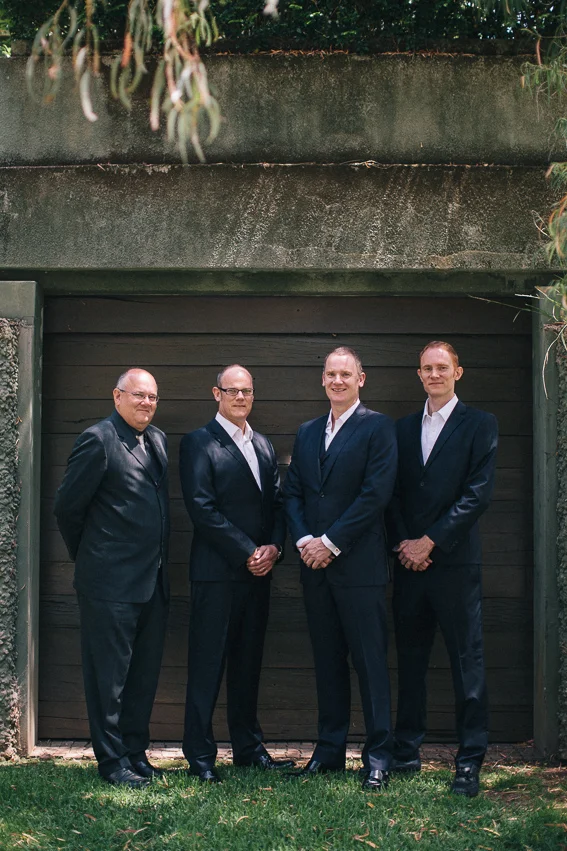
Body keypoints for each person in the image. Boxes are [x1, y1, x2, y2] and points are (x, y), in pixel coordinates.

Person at [283, 346, 398, 791]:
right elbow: (294, 492)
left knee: (370, 664)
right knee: (327, 662)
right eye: (331, 374)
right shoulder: (307, 431)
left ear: (360, 380)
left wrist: (330, 543)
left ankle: (378, 758)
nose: (337, 381)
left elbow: (375, 494)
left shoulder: (378, 427)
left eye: (345, 374)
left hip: (360, 568)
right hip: (314, 568)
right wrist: (304, 542)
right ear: (322, 379)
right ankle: (328, 752)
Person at [387, 341, 498, 798]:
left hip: (454, 563)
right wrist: (404, 544)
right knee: (410, 661)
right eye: (427, 368)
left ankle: (469, 761)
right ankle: (406, 752)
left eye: (442, 367)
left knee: (466, 663)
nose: (434, 374)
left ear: (458, 372)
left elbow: (477, 494)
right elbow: (391, 492)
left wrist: (429, 541)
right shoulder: (401, 428)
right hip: (408, 564)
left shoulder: (480, 424)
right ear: (419, 375)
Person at [54, 368, 169, 788]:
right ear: (117, 396)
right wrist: (92, 557)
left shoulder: (157, 440)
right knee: (109, 680)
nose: (146, 403)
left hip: (152, 581)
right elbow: (67, 508)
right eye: (138, 395)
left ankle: (136, 754)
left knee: (142, 677)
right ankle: (112, 762)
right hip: (108, 585)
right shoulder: (98, 440)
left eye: (152, 397)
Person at [179, 364, 293, 783]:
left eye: (247, 391)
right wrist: (248, 551)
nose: (241, 397)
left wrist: (274, 549)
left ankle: (248, 749)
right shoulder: (198, 442)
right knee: (207, 665)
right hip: (217, 574)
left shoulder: (262, 444)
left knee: (248, 665)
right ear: (217, 394)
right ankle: (200, 757)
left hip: (258, 575)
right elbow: (202, 509)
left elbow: (277, 504)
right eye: (232, 391)